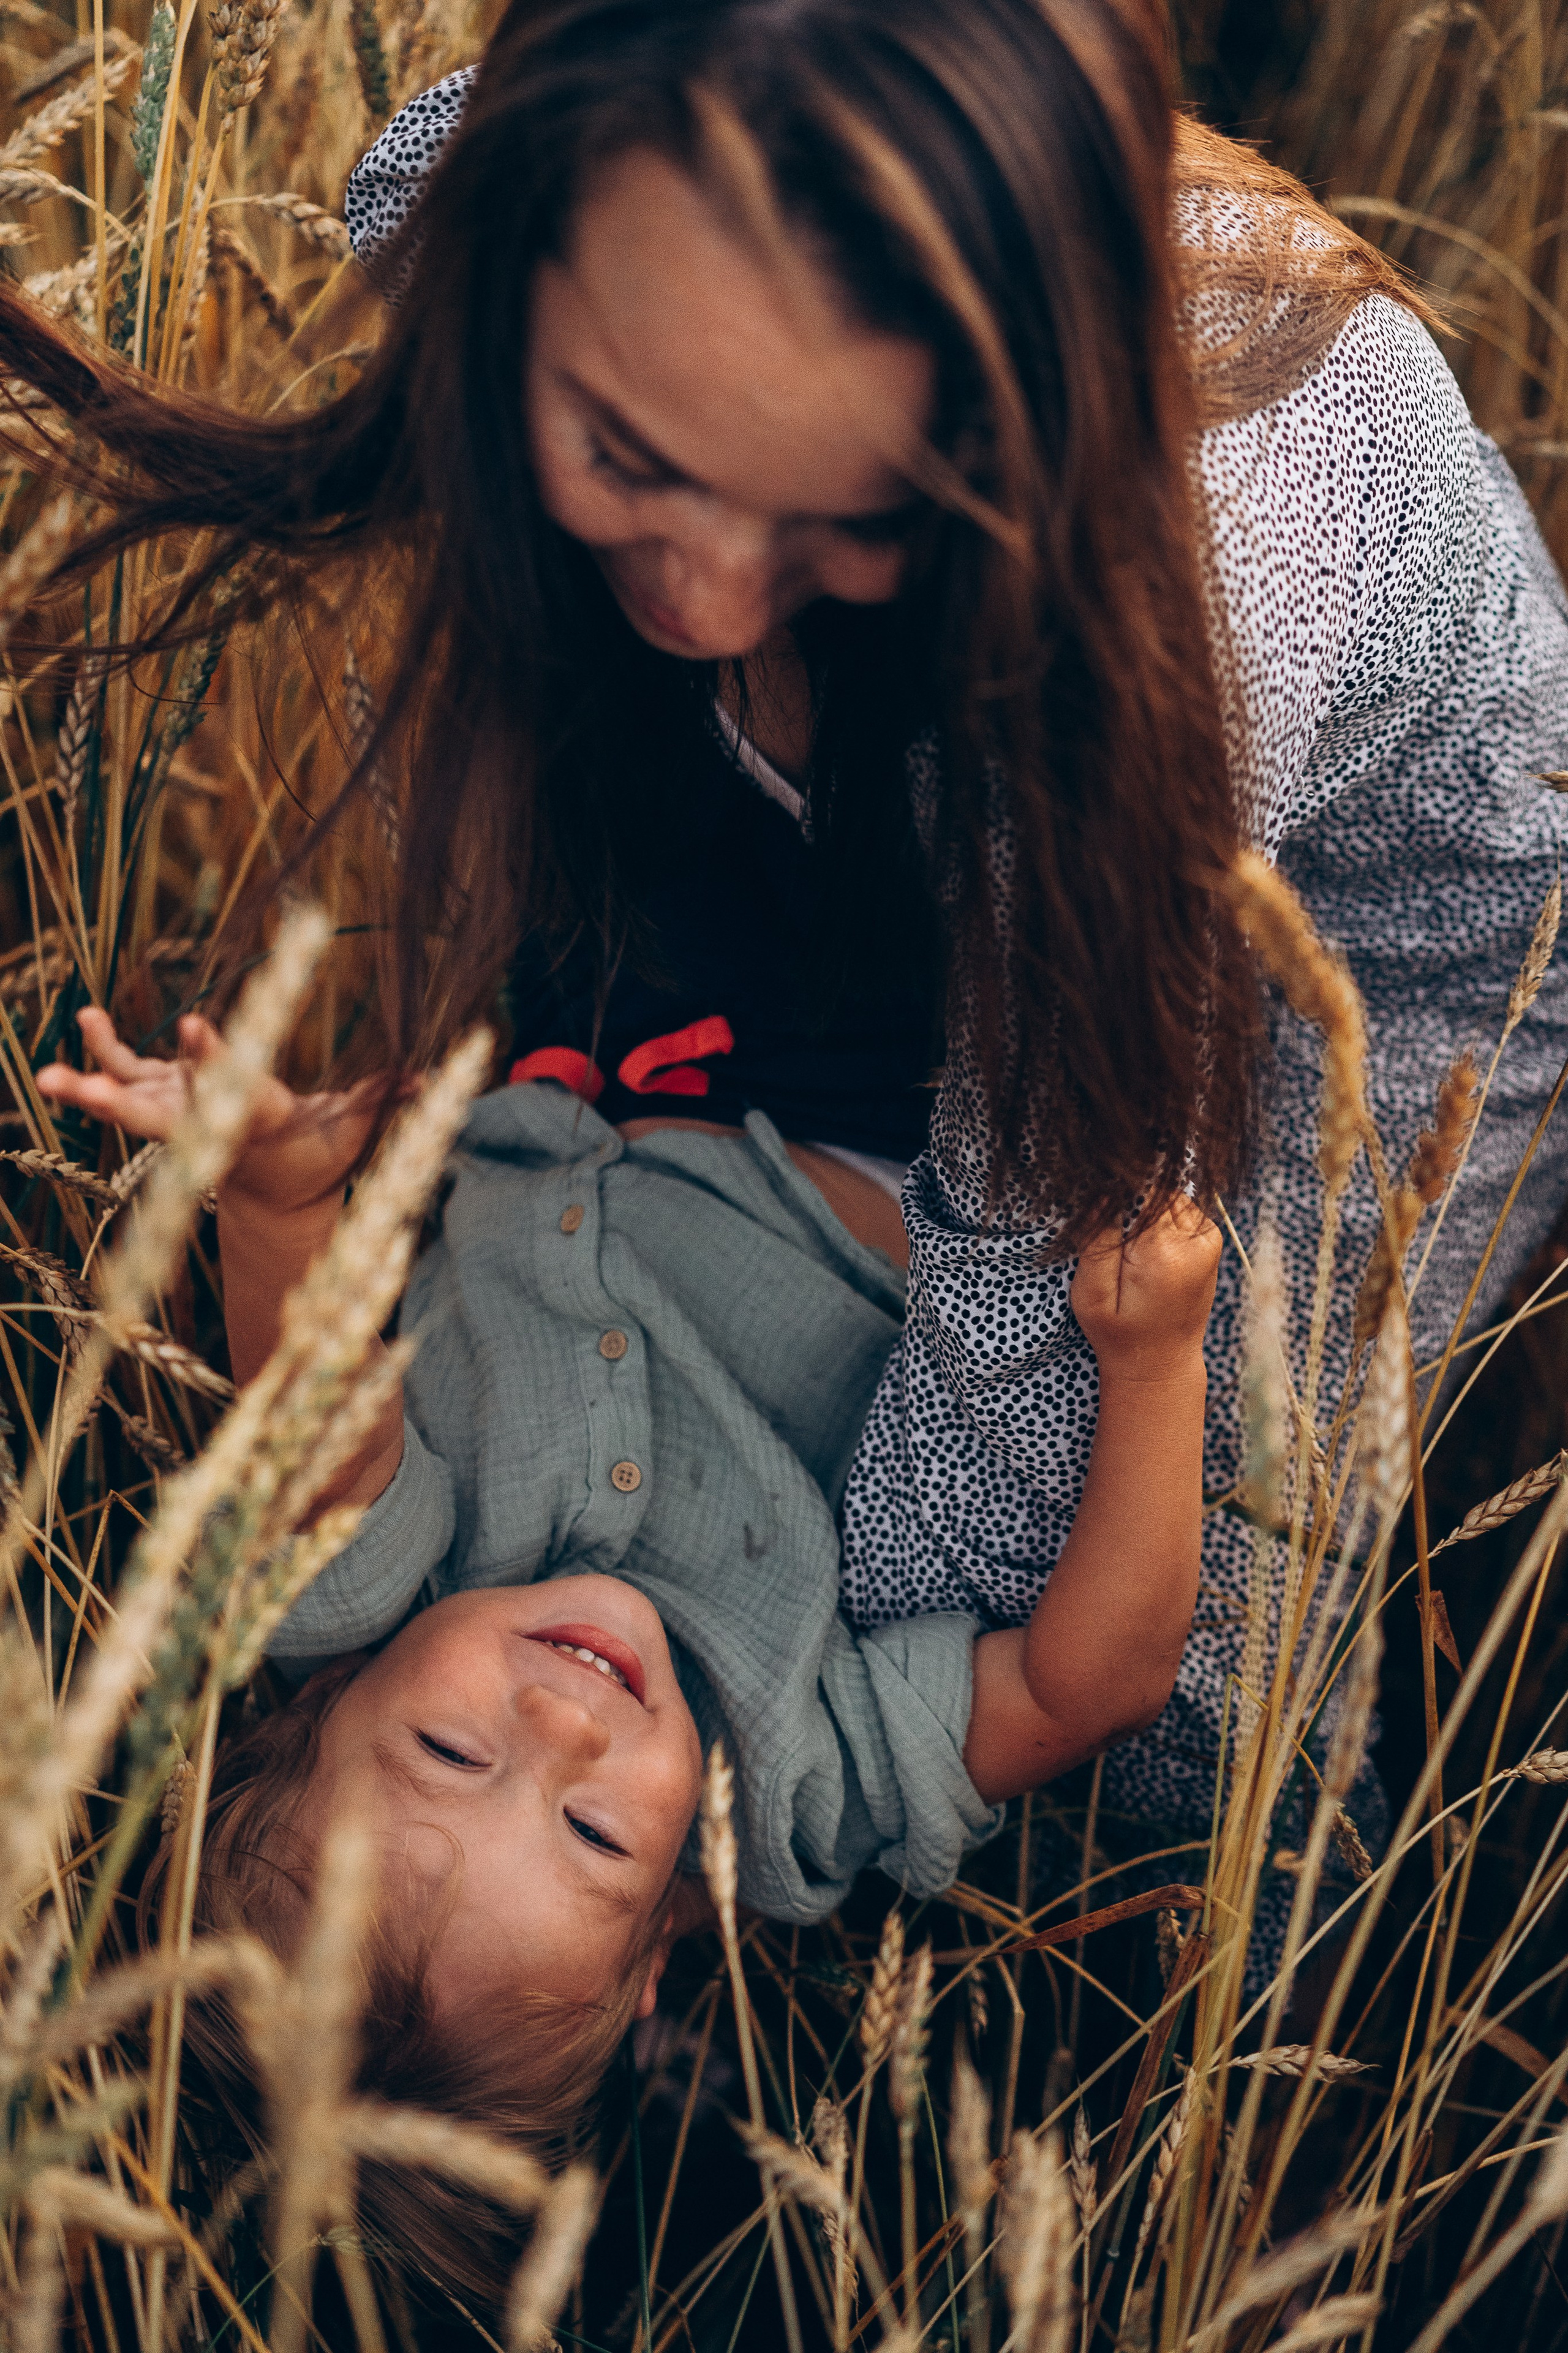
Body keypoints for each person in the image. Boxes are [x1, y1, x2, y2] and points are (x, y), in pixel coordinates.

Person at [10, 0, 1568, 2287]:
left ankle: (1278, 2067)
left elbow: (1044, 1583)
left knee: (1222, 1605)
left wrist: (1079, 1431)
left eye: (843, 515)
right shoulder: (475, 194)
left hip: (1325, 949)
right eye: (632, 448)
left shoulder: (1220, 576)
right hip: (938, 886)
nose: (713, 606)